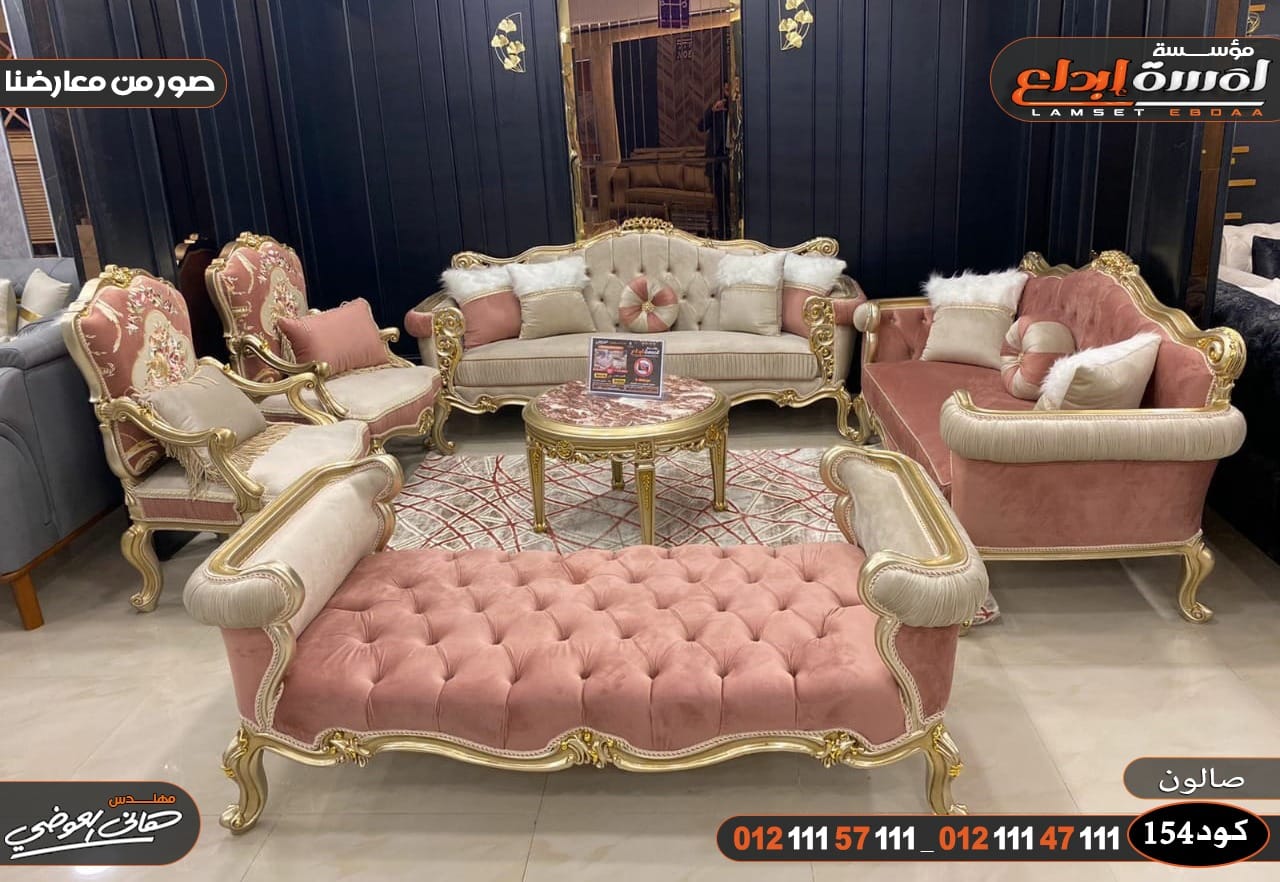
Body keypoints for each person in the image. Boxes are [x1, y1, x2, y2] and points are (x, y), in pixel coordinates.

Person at [698, 82, 731, 237]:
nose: (729, 92)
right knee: (721, 201)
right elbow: (701, 126)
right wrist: (712, 111)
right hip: (718, 162)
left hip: (735, 161)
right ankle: (724, 233)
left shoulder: (742, 108)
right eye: (727, 88)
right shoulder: (718, 108)